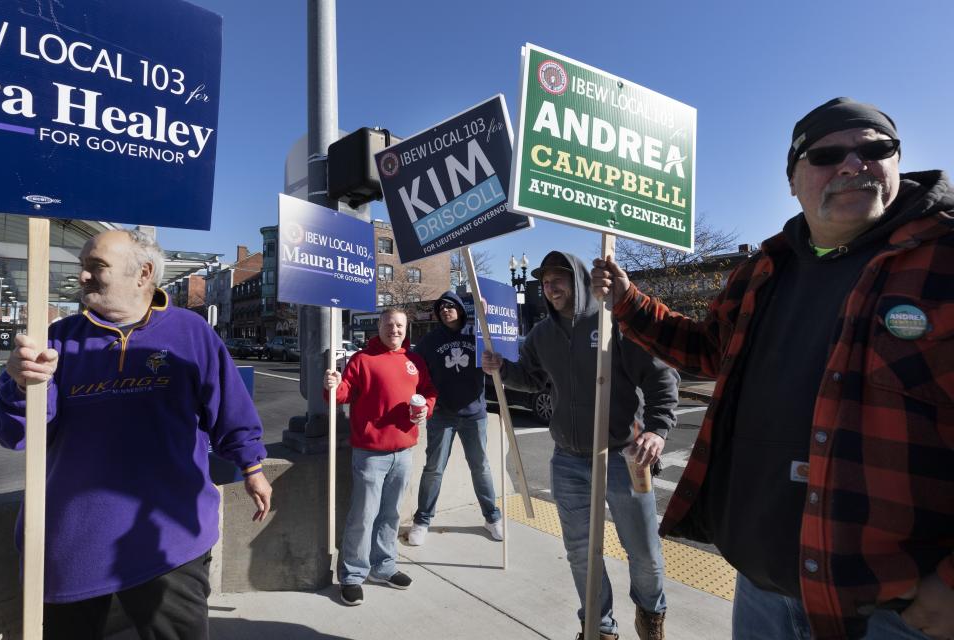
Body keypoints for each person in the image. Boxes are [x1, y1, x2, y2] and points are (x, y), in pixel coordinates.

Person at [592, 97, 954, 640]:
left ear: (897, 159)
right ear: (792, 180)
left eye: (874, 149)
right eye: (828, 154)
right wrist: (628, 300)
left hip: (889, 614)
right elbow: (707, 351)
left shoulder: (943, 258)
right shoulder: (764, 269)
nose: (853, 165)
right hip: (762, 590)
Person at [0, 229, 272, 640]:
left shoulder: (192, 333)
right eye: (82, 267)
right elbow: (17, 436)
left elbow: (230, 410)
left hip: (170, 538)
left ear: (143, 273)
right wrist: (21, 387)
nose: (83, 276)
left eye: (96, 267)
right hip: (71, 542)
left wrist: (252, 465)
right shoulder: (56, 340)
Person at [483, 251, 679, 640]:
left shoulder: (613, 323)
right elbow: (533, 378)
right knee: (580, 552)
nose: (550, 287)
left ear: (578, 280)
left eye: (558, 279)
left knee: (643, 553)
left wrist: (657, 429)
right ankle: (598, 626)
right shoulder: (542, 334)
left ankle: (651, 612)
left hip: (624, 458)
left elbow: (661, 376)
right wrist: (503, 371)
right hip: (568, 461)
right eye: (544, 282)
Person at [324, 307, 437, 607]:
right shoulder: (362, 359)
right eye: (389, 325)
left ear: (406, 328)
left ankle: (383, 566)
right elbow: (343, 394)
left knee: (391, 514)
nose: (395, 330)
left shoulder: (414, 361)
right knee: (363, 515)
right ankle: (352, 575)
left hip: (404, 450)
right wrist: (333, 386)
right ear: (380, 326)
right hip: (370, 452)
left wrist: (426, 406)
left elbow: (428, 392)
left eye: (400, 325)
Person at [407, 291, 503, 546]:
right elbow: (413, 369)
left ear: (461, 309)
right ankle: (422, 520)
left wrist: (487, 316)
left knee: (480, 467)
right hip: (442, 415)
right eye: (441, 308)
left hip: (474, 413)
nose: (445, 310)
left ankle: (492, 517)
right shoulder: (430, 341)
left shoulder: (477, 333)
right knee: (433, 469)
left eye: (451, 306)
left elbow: (502, 342)